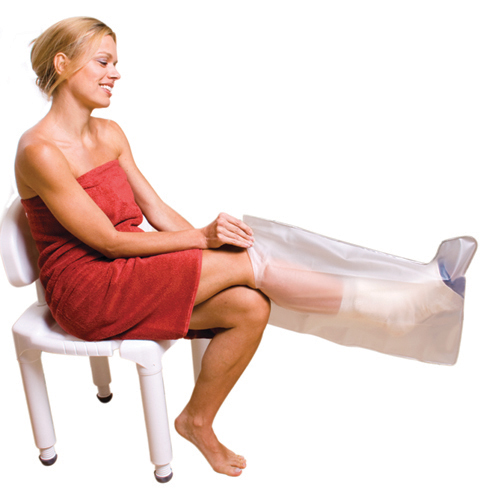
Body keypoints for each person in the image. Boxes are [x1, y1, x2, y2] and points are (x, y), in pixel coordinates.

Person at [14, 17, 472, 478]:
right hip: (88, 291)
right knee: (251, 259)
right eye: (103, 62)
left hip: (133, 266)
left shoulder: (111, 134)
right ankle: (396, 304)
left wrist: (207, 251)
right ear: (63, 64)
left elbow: (156, 209)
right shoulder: (39, 151)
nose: (116, 73)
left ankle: (196, 421)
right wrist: (203, 241)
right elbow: (109, 242)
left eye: (116, 62)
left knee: (250, 306)